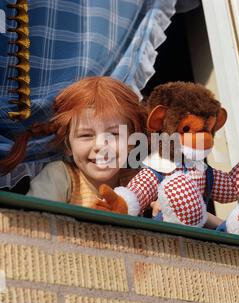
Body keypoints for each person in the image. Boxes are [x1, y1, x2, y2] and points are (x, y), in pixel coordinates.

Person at [0, 76, 145, 208]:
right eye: (86, 135)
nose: (100, 146)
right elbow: (35, 224)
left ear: (131, 141)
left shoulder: (139, 181)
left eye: (114, 134)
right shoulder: (59, 177)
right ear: (68, 145)